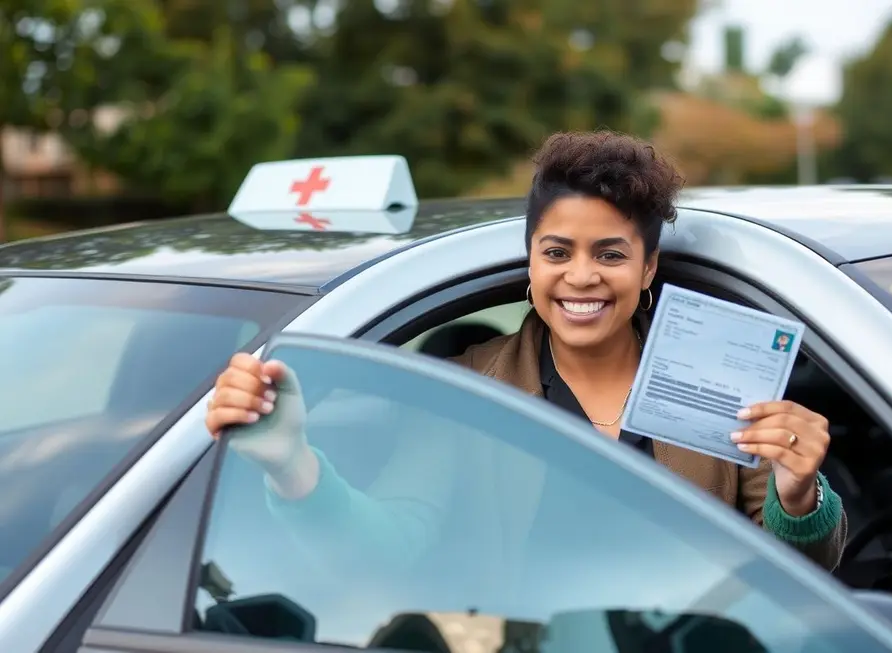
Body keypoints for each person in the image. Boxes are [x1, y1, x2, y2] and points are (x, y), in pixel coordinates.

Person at [205, 131, 846, 577]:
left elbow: (794, 578)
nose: (582, 277)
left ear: (649, 267)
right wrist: (292, 467)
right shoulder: (463, 390)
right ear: (532, 261)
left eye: (612, 254)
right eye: (558, 252)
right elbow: (390, 546)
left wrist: (798, 498)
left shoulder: (723, 377)